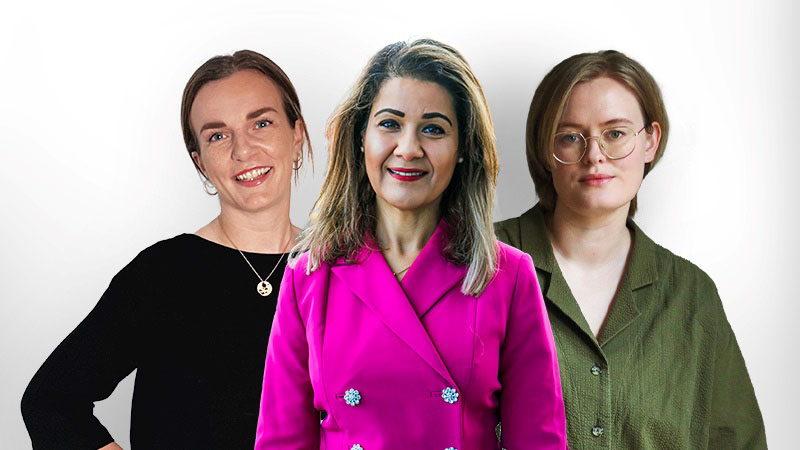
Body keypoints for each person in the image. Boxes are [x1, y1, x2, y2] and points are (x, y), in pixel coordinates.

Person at [254, 39, 567, 450]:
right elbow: (282, 443)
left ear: (462, 150)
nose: (408, 149)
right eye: (389, 124)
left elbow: (539, 444)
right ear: (360, 137)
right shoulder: (307, 278)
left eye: (433, 129)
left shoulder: (508, 277)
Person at [21, 50, 312, 449]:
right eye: (217, 135)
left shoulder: (342, 270)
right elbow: (50, 402)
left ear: (296, 136)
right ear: (201, 162)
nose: (242, 151)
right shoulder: (162, 275)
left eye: (261, 123)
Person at [495, 50, 766, 449]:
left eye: (616, 133)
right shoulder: (480, 265)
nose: (594, 156)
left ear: (650, 142)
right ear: (544, 149)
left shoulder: (693, 298)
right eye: (571, 137)